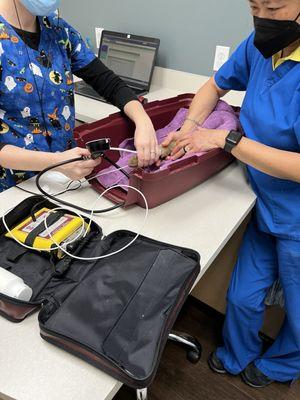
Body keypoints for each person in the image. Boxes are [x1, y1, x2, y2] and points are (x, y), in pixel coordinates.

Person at [163, 0, 300, 388]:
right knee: (241, 297)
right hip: (266, 203)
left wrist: (228, 139)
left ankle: (281, 366)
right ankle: (237, 353)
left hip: (297, 215)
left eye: (274, 7)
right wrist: (190, 126)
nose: (262, 19)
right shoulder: (259, 46)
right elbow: (215, 85)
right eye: (255, 6)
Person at [0, 0, 159, 191]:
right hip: (13, 188)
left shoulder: (58, 30)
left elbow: (109, 84)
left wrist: (143, 120)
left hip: (66, 180)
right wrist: (57, 162)